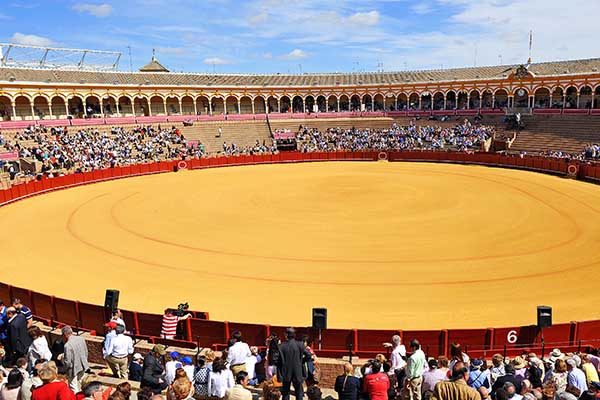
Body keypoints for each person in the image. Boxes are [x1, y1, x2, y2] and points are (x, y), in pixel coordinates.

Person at [277, 328, 312, 400]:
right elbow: (309, 355)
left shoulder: (281, 346)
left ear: (286, 335)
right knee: (298, 392)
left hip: (286, 372)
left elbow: (277, 360)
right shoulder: (300, 345)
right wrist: (301, 361)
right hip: (297, 371)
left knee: (286, 393)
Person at [61, 326, 88, 393]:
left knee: (73, 387)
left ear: (65, 335)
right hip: (82, 364)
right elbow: (86, 351)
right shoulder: (81, 338)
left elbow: (68, 362)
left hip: (72, 369)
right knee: (83, 382)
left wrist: (63, 368)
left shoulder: (67, 345)